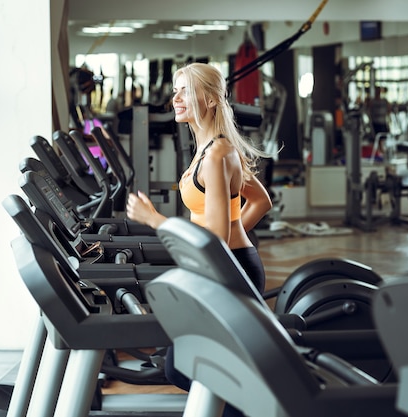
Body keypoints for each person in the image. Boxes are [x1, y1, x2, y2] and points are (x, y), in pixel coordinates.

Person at [125, 62, 273, 416]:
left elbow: (217, 238)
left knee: (184, 365)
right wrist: (240, 241)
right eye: (175, 90)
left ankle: (257, 405)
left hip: (229, 271)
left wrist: (155, 220)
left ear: (207, 100)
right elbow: (260, 202)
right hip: (228, 266)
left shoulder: (218, 153)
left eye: (184, 91)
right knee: (192, 365)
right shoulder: (211, 149)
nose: (174, 98)